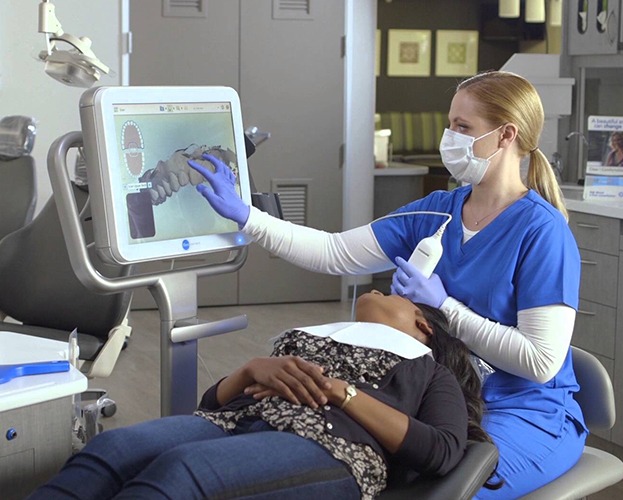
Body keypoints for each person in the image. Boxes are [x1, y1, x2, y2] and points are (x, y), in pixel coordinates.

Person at [187, 70, 585, 498]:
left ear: (506, 135)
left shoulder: (541, 232)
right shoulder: (438, 211)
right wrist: (247, 216)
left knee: (440, 491)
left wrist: (447, 308)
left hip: (525, 411)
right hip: (444, 401)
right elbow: (335, 252)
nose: (450, 137)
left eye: (464, 128)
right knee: (356, 470)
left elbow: (540, 362)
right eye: (450, 123)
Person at [28, 292, 496, 499]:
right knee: (112, 448)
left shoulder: (429, 370)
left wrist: (342, 392)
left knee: (182, 470)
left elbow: (442, 450)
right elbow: (215, 404)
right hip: (236, 421)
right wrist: (249, 370)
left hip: (333, 447)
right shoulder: (320, 335)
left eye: (398, 296)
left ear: (421, 324)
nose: (381, 288)